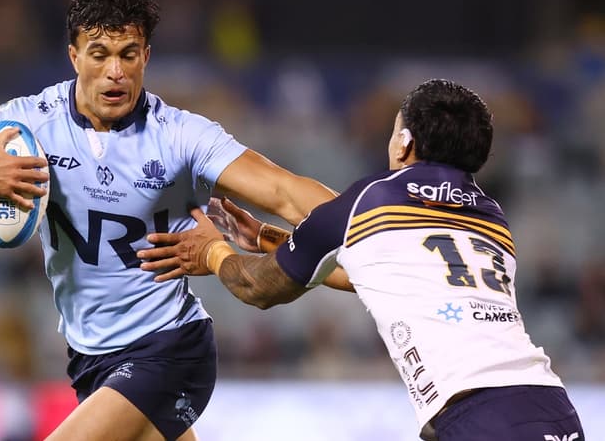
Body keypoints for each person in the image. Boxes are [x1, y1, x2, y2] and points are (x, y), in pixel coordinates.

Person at [0, 0, 338, 441]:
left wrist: (368, 214)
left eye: (128, 55)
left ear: (146, 57)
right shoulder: (25, 125)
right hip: (91, 358)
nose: (115, 72)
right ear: (73, 57)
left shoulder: (180, 137)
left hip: (167, 347)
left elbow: (285, 192)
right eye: (99, 54)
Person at [140, 79, 586, 441]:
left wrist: (212, 251)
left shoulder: (370, 200)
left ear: (405, 142)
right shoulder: (492, 218)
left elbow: (257, 289)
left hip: (479, 417)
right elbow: (376, 274)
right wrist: (266, 237)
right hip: (552, 406)